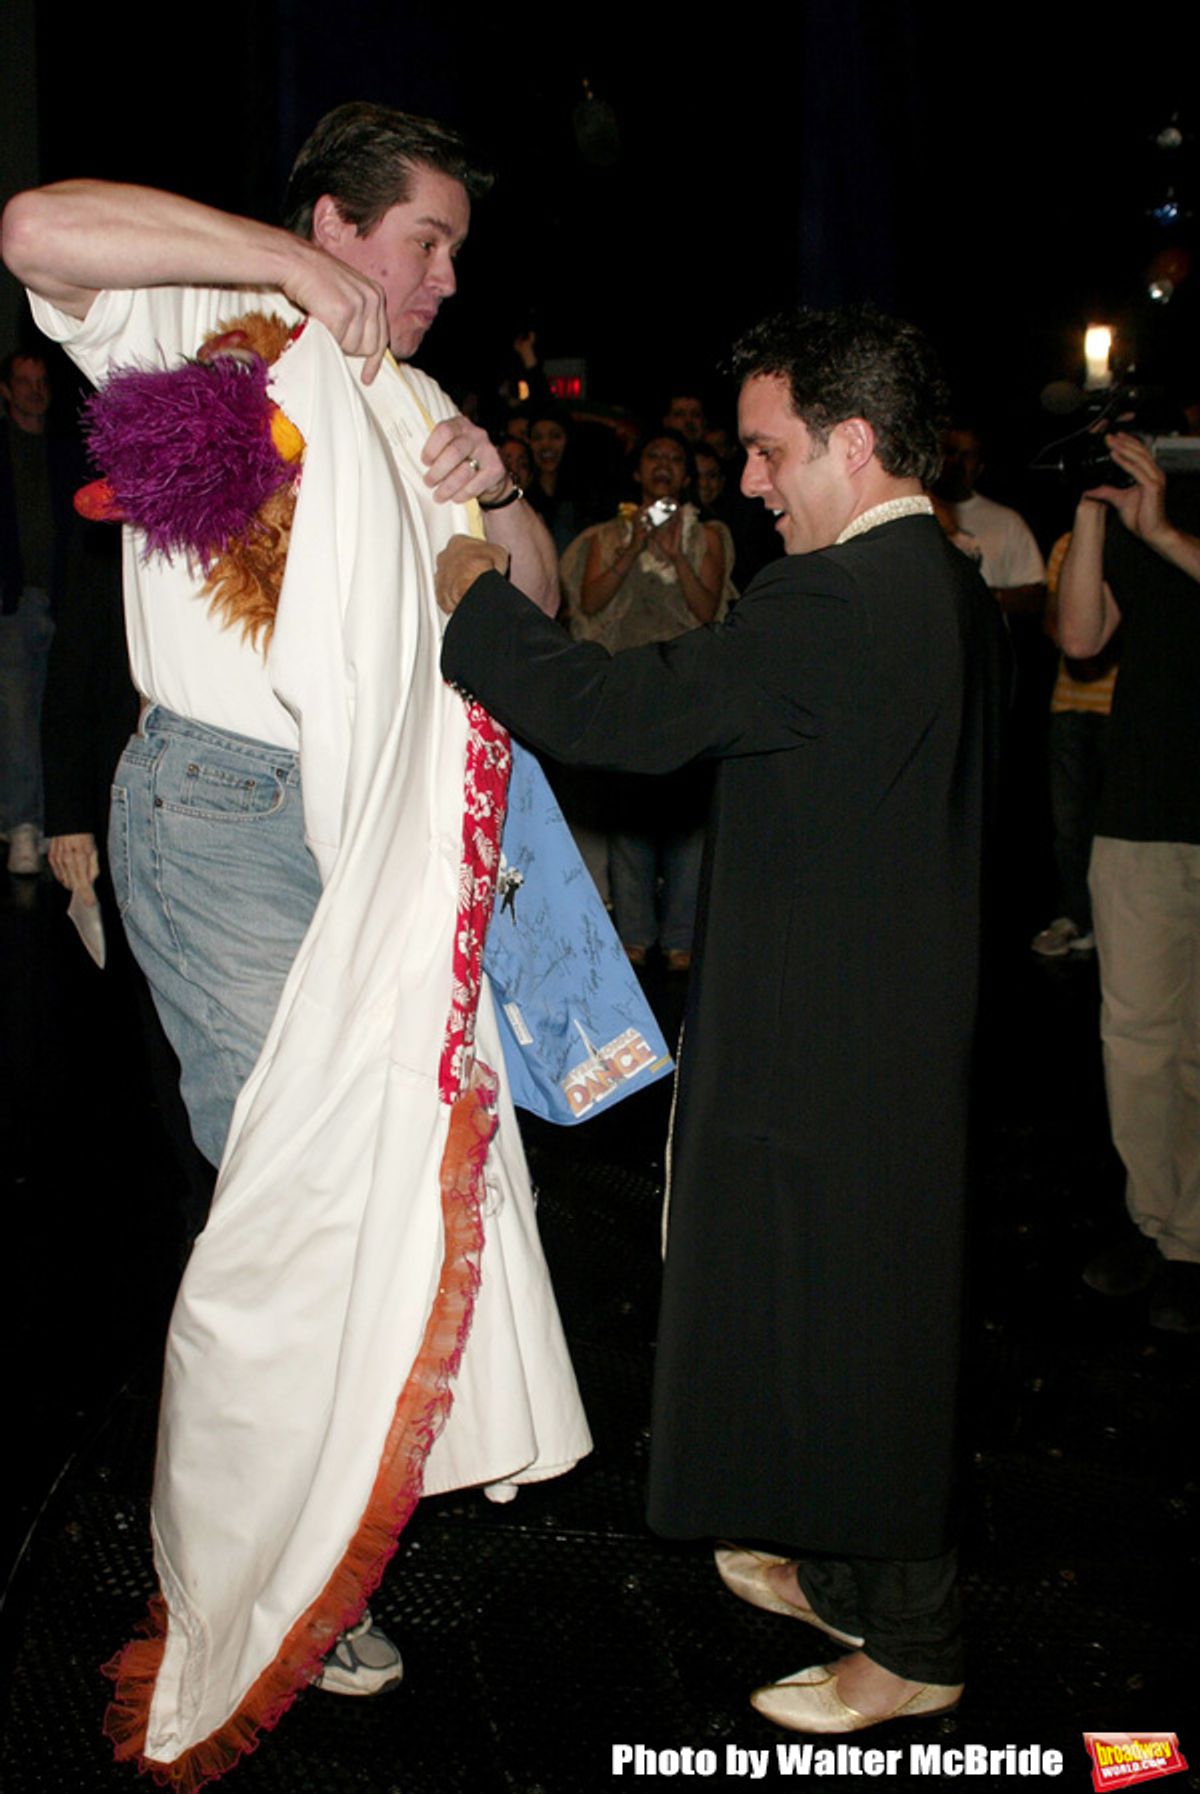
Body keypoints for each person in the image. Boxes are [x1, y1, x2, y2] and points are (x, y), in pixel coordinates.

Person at [2, 100, 590, 1782]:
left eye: (459, 253)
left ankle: (318, 1524)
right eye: (427, 242)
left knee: (379, 1183)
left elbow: (525, 614)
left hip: (378, 841)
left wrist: (500, 489)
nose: (449, 278)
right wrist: (270, 261)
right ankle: (260, 1578)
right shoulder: (204, 307)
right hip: (225, 814)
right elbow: (36, 227)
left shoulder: (412, 399)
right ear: (336, 222)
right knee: (295, 1198)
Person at [437, 305, 1007, 1734]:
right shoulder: (940, 583)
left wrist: (468, 598)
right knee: (820, 1299)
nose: (747, 481)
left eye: (768, 451)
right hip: (871, 1015)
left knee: (864, 1322)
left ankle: (918, 1643)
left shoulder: (840, 599)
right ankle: (834, 1561)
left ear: (854, 442)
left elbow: (619, 711)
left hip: (835, 1036)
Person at [1056, 432, 1200, 1333]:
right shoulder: (1151, 496)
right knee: (1141, 1040)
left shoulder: (1172, 521)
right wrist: (1090, 509)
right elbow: (1079, 640)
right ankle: (1168, 1229)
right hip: (1143, 808)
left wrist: (1167, 537)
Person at [561, 429, 734, 968]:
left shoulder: (707, 536)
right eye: (654, 456)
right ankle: (635, 933)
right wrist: (634, 547)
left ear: (686, 475)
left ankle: (682, 937)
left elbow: (709, 611)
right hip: (627, 686)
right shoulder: (606, 534)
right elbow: (589, 601)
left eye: (675, 459)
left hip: (685, 687)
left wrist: (671, 554)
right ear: (638, 471)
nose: (663, 465)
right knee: (628, 810)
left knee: (687, 813)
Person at [0, 349, 66, 873]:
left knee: (54, 712)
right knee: (18, 715)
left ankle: (47, 822)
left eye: (41, 381)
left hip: (63, 599)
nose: (34, 390)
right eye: (24, 381)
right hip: (13, 601)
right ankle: (22, 825)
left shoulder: (67, 451)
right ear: (7, 390)